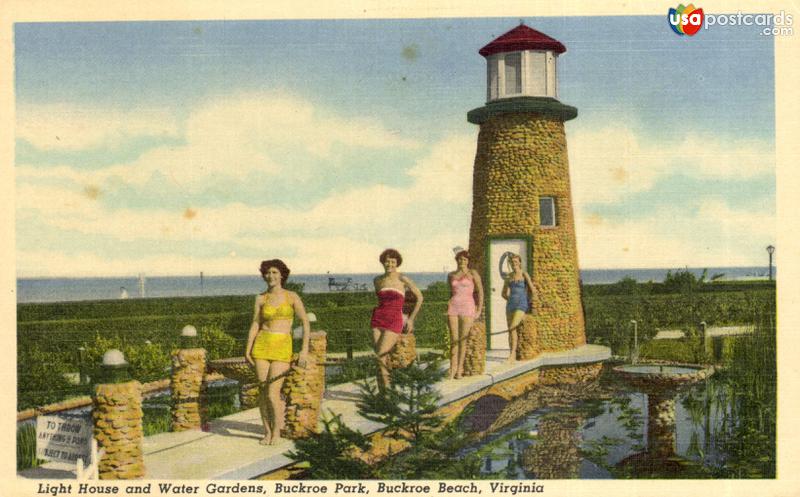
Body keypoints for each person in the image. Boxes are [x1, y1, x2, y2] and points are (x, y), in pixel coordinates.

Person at [245, 259, 310, 445]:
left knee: (273, 393)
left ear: (282, 275)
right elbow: (255, 324)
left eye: (274, 272)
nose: (270, 276)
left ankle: (276, 432)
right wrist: (247, 349)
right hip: (262, 345)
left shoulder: (292, 297)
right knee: (263, 391)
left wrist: (303, 350)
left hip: (282, 346)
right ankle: (266, 431)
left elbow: (305, 322)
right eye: (267, 273)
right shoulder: (260, 298)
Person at [371, 248, 423, 388]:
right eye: (387, 261)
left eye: (393, 262)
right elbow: (381, 301)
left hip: (394, 320)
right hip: (377, 319)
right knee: (381, 357)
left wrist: (411, 319)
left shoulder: (402, 279)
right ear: (383, 262)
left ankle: (387, 393)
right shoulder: (377, 280)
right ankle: (384, 390)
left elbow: (419, 297)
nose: (390, 264)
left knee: (380, 356)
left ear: (397, 263)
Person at [446, 250, 484, 379]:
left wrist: (479, 310)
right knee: (454, 340)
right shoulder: (451, 275)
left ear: (468, 261)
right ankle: (452, 368)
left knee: (463, 339)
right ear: (457, 260)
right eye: (460, 259)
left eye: (465, 260)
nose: (462, 262)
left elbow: (480, 292)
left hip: (468, 307)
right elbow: (450, 293)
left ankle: (459, 369)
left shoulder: (473, 274)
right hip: (453, 306)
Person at [501, 253, 534, 363]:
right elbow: (503, 293)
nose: (514, 264)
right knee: (511, 330)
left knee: (512, 327)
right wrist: (510, 299)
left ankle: (512, 354)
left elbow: (533, 291)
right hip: (510, 305)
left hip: (521, 305)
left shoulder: (524, 274)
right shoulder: (509, 276)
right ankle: (512, 354)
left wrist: (527, 303)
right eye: (512, 262)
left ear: (519, 263)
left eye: (516, 262)